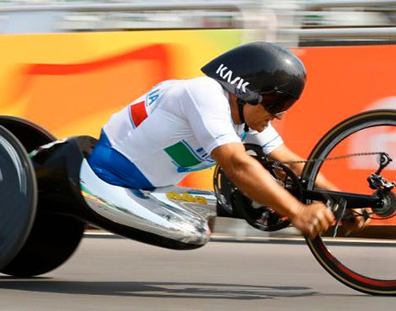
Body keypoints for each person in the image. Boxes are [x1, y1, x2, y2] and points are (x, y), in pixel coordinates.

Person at [87, 42, 367, 238]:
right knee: (192, 234)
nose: (278, 114)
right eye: (274, 103)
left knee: (199, 231)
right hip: (107, 176)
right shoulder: (204, 92)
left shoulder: (247, 118)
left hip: (150, 189)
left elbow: (295, 165)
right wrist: (296, 211)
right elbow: (236, 163)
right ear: (244, 90)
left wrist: (344, 200)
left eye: (285, 106)